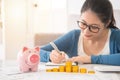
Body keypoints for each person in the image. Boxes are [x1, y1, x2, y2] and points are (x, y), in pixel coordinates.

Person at [40, 0, 120, 66]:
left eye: (94, 27)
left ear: (107, 23)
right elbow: (37, 51)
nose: (86, 31)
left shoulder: (116, 36)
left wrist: (90, 59)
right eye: (83, 23)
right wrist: (50, 56)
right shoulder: (74, 36)